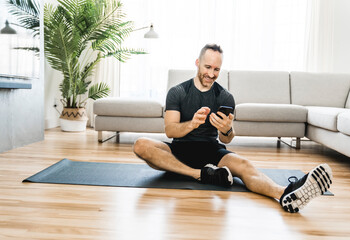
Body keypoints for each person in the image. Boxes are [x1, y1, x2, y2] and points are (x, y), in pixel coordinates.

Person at [133, 44, 333, 213]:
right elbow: (170, 131)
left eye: (216, 70)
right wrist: (192, 123)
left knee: (244, 165)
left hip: (211, 150)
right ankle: (199, 174)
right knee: (141, 145)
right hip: (179, 150)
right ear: (197, 63)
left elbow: (227, 139)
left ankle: (285, 194)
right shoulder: (177, 92)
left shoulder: (225, 97)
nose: (211, 74)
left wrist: (227, 130)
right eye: (207, 67)